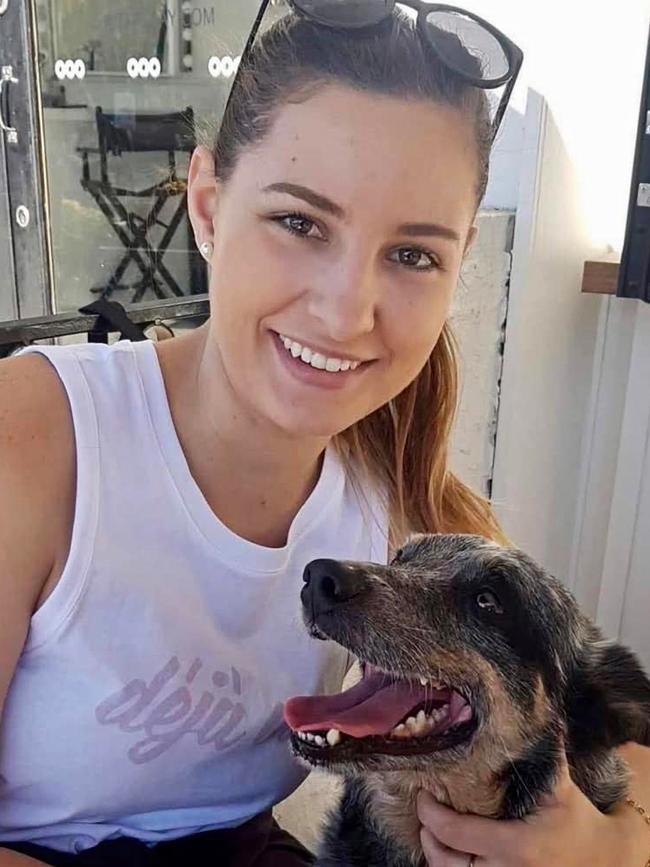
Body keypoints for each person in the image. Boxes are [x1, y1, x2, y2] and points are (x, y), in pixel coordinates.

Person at [0, 2, 649, 865]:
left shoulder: (397, 496)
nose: (347, 311)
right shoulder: (39, 437)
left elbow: (599, 703)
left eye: (412, 254)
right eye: (301, 223)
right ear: (207, 206)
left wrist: (613, 848)